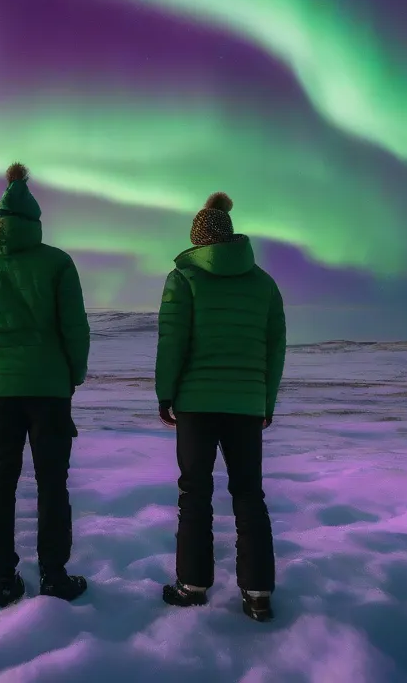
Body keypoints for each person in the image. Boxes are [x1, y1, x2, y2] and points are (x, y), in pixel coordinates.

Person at [0, 163, 91, 608]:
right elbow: (75, 327)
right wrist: (73, 374)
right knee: (53, 481)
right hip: (50, 388)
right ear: (34, 222)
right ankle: (53, 574)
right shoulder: (57, 262)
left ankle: (3, 577)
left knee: (2, 480)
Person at [155, 191, 286, 623]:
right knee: (249, 494)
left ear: (197, 240)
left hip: (195, 402)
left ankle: (192, 585)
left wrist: (165, 394)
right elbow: (274, 348)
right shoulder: (264, 283)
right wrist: (265, 401)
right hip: (246, 405)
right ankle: (258, 593)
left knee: (195, 492)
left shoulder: (184, 278)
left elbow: (172, 341)